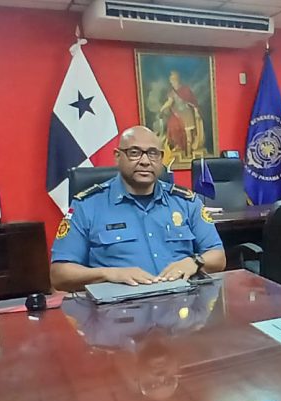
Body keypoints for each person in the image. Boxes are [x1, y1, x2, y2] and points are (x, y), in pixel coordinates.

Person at [50, 125, 225, 292]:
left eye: (153, 154)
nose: (145, 161)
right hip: (118, 306)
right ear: (117, 156)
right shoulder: (87, 206)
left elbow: (218, 256)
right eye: (134, 153)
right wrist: (110, 274)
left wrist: (194, 262)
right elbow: (59, 274)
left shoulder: (186, 202)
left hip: (182, 301)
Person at [159, 70, 205, 158]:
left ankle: (189, 154)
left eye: (172, 80)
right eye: (170, 80)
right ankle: (178, 146)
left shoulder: (185, 90)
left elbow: (193, 102)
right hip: (177, 115)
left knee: (188, 135)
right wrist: (162, 109)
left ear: (177, 80)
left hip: (187, 114)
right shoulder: (172, 92)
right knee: (173, 127)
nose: (171, 82)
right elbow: (170, 102)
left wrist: (196, 112)